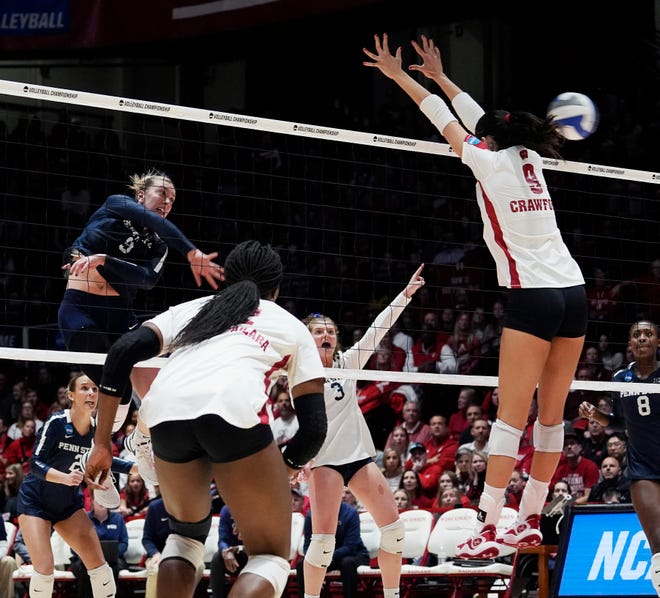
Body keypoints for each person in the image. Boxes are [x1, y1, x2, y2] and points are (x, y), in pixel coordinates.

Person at [363, 33, 587, 558]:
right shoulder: (529, 155)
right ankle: (528, 519)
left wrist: (402, 78)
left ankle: (487, 526)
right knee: (550, 418)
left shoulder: (485, 160)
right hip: (573, 292)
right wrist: (440, 73)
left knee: (510, 419)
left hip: (533, 296)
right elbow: (483, 116)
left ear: (487, 140)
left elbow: (444, 116)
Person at [84, 240, 327, 598]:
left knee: (183, 539)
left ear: (228, 278)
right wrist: (286, 467)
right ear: (275, 288)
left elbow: (121, 351)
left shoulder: (194, 309)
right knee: (271, 556)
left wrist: (103, 442)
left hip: (164, 415)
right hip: (230, 412)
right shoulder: (291, 326)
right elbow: (314, 430)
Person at [58, 169, 224, 435]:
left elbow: (147, 280)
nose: (167, 202)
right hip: (81, 311)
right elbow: (77, 253)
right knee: (118, 390)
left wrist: (104, 261)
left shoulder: (158, 245)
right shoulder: (117, 204)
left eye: (172, 199)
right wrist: (190, 251)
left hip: (121, 317)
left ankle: (139, 440)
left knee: (156, 391)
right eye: (162, 194)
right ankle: (97, 442)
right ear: (140, 195)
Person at [300, 265, 425, 598]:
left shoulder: (347, 363)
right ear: (307, 338)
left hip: (358, 457)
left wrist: (406, 294)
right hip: (324, 461)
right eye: (318, 332)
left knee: (395, 531)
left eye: (330, 331)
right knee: (323, 543)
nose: (326, 336)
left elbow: (378, 328)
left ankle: (392, 594)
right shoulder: (298, 371)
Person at [16, 374, 135, 598]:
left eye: (94, 389)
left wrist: (134, 469)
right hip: (35, 502)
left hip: (67, 505)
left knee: (101, 569)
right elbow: (34, 464)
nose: (91, 393)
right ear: (71, 395)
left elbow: (105, 460)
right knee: (44, 570)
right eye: (84, 388)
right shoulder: (56, 422)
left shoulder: (97, 430)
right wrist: (65, 478)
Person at [578, 319, 660, 596]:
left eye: (649, 334)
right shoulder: (620, 379)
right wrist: (595, 415)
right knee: (658, 542)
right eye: (637, 334)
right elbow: (618, 423)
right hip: (643, 467)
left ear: (658, 342)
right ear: (629, 344)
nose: (643, 338)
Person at [296, 501, 370, 598]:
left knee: (347, 563)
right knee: (302, 564)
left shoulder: (350, 513)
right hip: (325, 556)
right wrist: (313, 558)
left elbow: (351, 545)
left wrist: (327, 556)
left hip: (353, 554)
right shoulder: (311, 515)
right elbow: (307, 544)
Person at [70, 490, 129, 598]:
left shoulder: (118, 519)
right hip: (85, 561)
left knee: (112, 569)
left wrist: (114, 553)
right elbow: (73, 545)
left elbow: (124, 543)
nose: (101, 501)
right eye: (98, 497)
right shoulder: (83, 518)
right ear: (92, 500)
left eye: (104, 497)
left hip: (113, 560)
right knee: (85, 569)